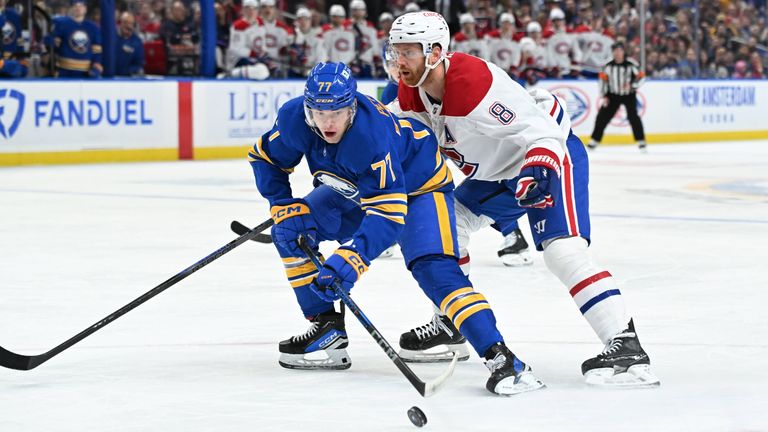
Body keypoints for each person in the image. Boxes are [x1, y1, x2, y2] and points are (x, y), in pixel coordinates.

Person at [388, 12, 658, 388]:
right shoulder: (411, 94)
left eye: (408, 52)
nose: (399, 61)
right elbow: (391, 146)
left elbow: (543, 132)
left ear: (435, 52)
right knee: (446, 227)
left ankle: (626, 344)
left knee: (562, 251)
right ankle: (451, 324)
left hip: (548, 155)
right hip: (498, 174)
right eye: (395, 51)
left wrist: (539, 168)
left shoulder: (474, 83)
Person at [247, 62, 545, 396]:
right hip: (354, 186)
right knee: (289, 231)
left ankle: (501, 358)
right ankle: (326, 330)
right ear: (307, 108)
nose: (328, 123)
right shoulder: (293, 119)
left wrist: (353, 257)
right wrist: (281, 202)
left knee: (435, 269)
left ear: (353, 106)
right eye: (319, 113)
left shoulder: (371, 135)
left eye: (338, 112)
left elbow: (388, 215)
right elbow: (265, 157)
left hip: (420, 189)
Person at [587, 41, 647, 152]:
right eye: (615, 50)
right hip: (612, 95)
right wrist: (604, 95)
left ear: (623, 51)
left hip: (628, 95)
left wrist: (632, 85)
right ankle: (594, 140)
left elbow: (641, 77)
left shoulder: (631, 64)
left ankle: (641, 141)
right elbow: (602, 81)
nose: (618, 53)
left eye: (620, 50)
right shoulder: (608, 65)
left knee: (633, 117)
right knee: (602, 117)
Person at [47, 0, 102, 78]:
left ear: (85, 9)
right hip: (65, 71)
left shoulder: (93, 27)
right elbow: (51, 43)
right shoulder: (62, 24)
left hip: (85, 72)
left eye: (81, 6)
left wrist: (96, 63)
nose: (78, 8)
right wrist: (52, 41)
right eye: (75, 5)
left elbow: (97, 50)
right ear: (71, 8)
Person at [115, 12, 145, 77]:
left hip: (127, 77)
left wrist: (127, 72)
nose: (128, 26)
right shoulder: (111, 37)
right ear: (120, 23)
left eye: (131, 23)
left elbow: (139, 64)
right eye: (126, 22)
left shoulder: (137, 42)